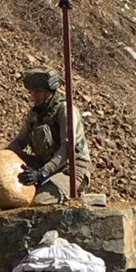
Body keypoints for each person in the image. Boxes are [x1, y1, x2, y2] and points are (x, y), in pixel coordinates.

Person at [9, 67, 91, 204]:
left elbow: (67, 150)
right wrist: (3, 156)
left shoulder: (65, 111)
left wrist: (42, 173)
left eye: (38, 91)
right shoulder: (35, 113)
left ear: (50, 92)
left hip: (70, 169)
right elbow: (20, 141)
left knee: (40, 202)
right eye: (32, 91)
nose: (34, 95)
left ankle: (74, 197)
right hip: (44, 163)